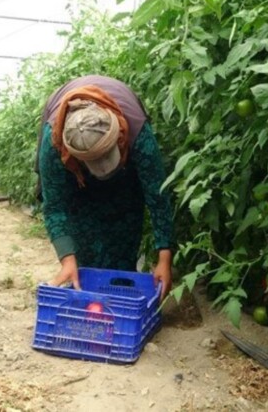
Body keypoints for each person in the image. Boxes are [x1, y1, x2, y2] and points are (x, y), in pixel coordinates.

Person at [35, 75, 174, 297]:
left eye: (106, 157)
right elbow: (55, 207)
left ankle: (120, 289)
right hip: (78, 179)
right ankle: (88, 289)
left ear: (118, 135)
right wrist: (68, 260)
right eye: (94, 162)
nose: (101, 167)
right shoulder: (54, 146)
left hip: (125, 177)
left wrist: (164, 259)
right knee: (82, 235)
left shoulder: (137, 132)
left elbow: (157, 196)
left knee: (126, 227)